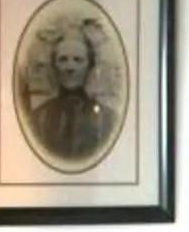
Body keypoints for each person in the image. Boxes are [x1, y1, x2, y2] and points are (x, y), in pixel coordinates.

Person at [23, 16, 118, 166]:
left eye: (78, 60)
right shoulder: (38, 119)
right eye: (63, 59)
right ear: (54, 65)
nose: (70, 68)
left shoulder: (108, 120)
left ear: (90, 66)